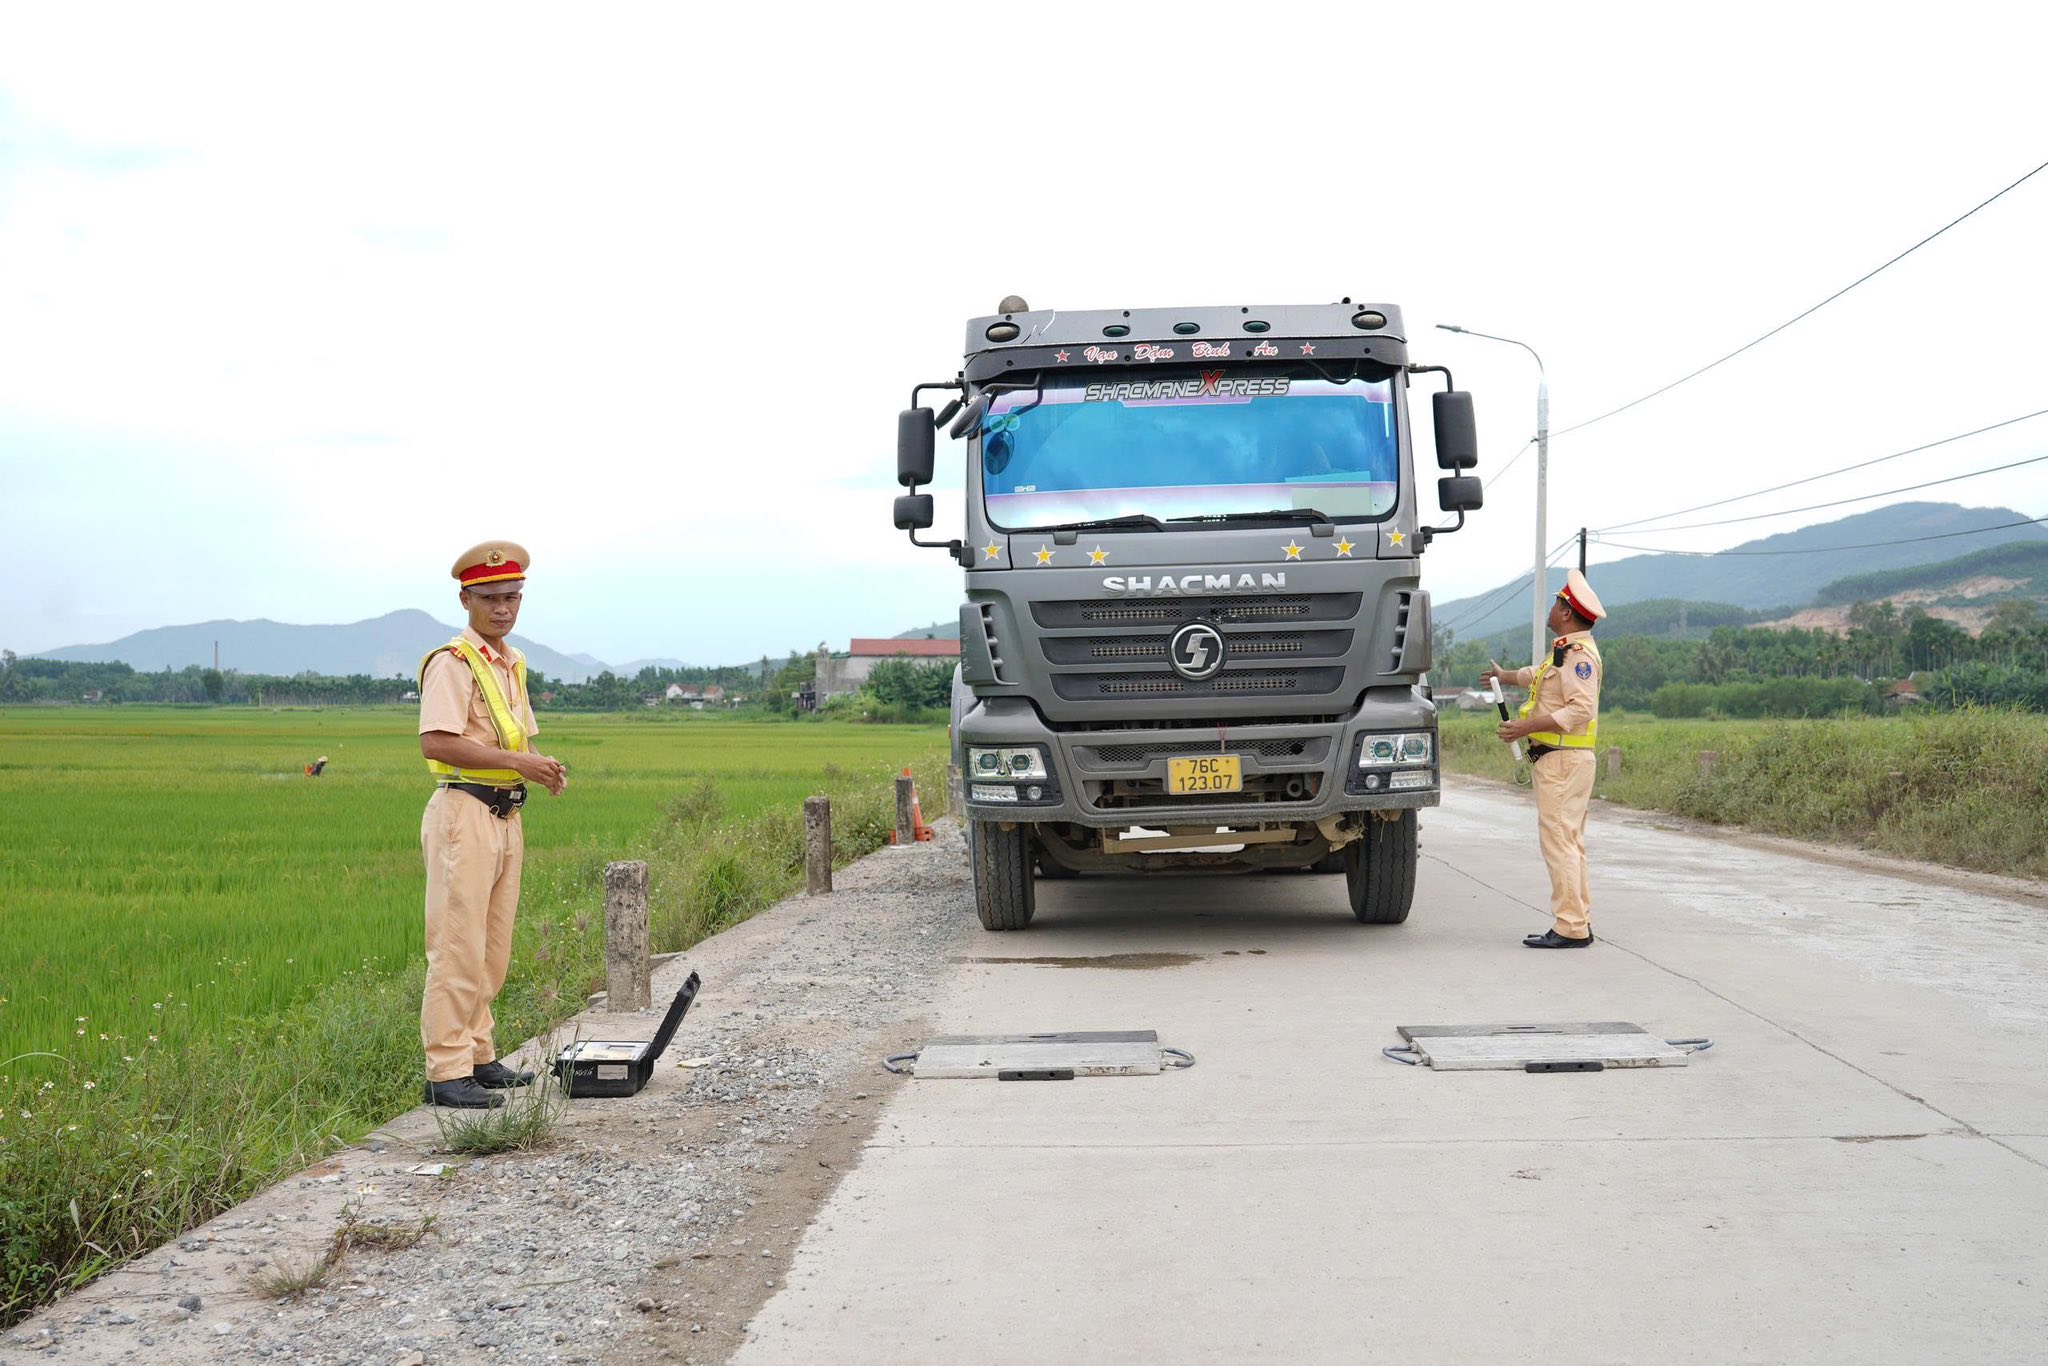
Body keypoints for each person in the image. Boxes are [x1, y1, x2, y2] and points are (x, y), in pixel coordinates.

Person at [416, 541, 568, 1107]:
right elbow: (437, 742)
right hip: (464, 813)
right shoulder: (452, 663)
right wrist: (519, 763)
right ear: (466, 599)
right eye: (490, 599)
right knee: (457, 946)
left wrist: (540, 766)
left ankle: (478, 1056)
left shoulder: (511, 663)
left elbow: (518, 740)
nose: (503, 608)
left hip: (505, 815)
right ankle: (445, 1072)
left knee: (491, 948)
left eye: (512, 598)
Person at [1479, 568, 1605, 949]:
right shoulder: (1565, 651)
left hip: (1563, 762)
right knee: (1570, 842)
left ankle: (1570, 927)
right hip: (1562, 760)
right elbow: (1539, 675)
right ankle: (1578, 919)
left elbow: (1580, 709)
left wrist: (1525, 727)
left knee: (1560, 843)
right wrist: (1506, 675)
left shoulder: (1579, 657)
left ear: (1566, 612)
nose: (1551, 608)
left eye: (1556, 603)